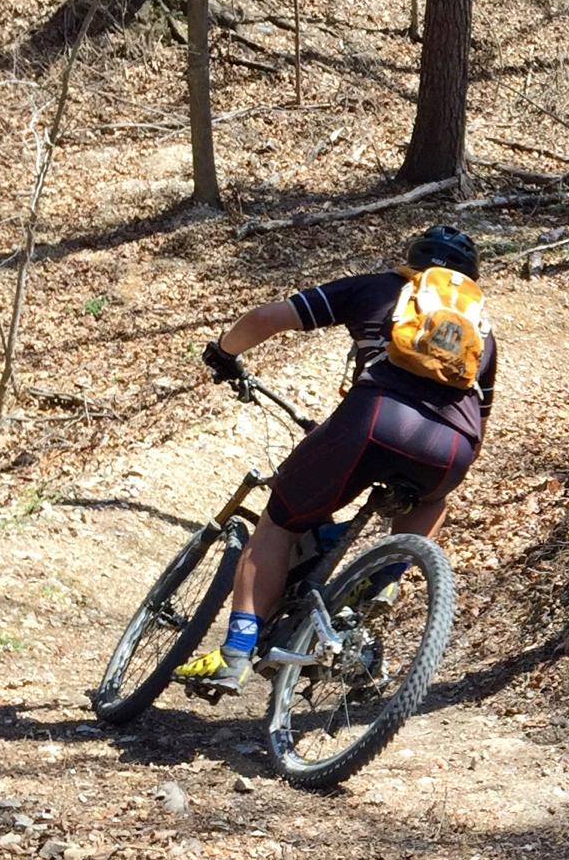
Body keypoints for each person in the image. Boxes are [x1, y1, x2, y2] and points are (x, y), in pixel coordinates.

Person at [175, 225, 497, 694]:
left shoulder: (380, 288)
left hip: (373, 420)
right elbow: (481, 417)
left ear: (412, 259)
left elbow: (269, 317)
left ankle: (235, 653)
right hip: (452, 446)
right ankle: (385, 575)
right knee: (434, 498)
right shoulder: (482, 332)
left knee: (280, 523)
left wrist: (225, 352)